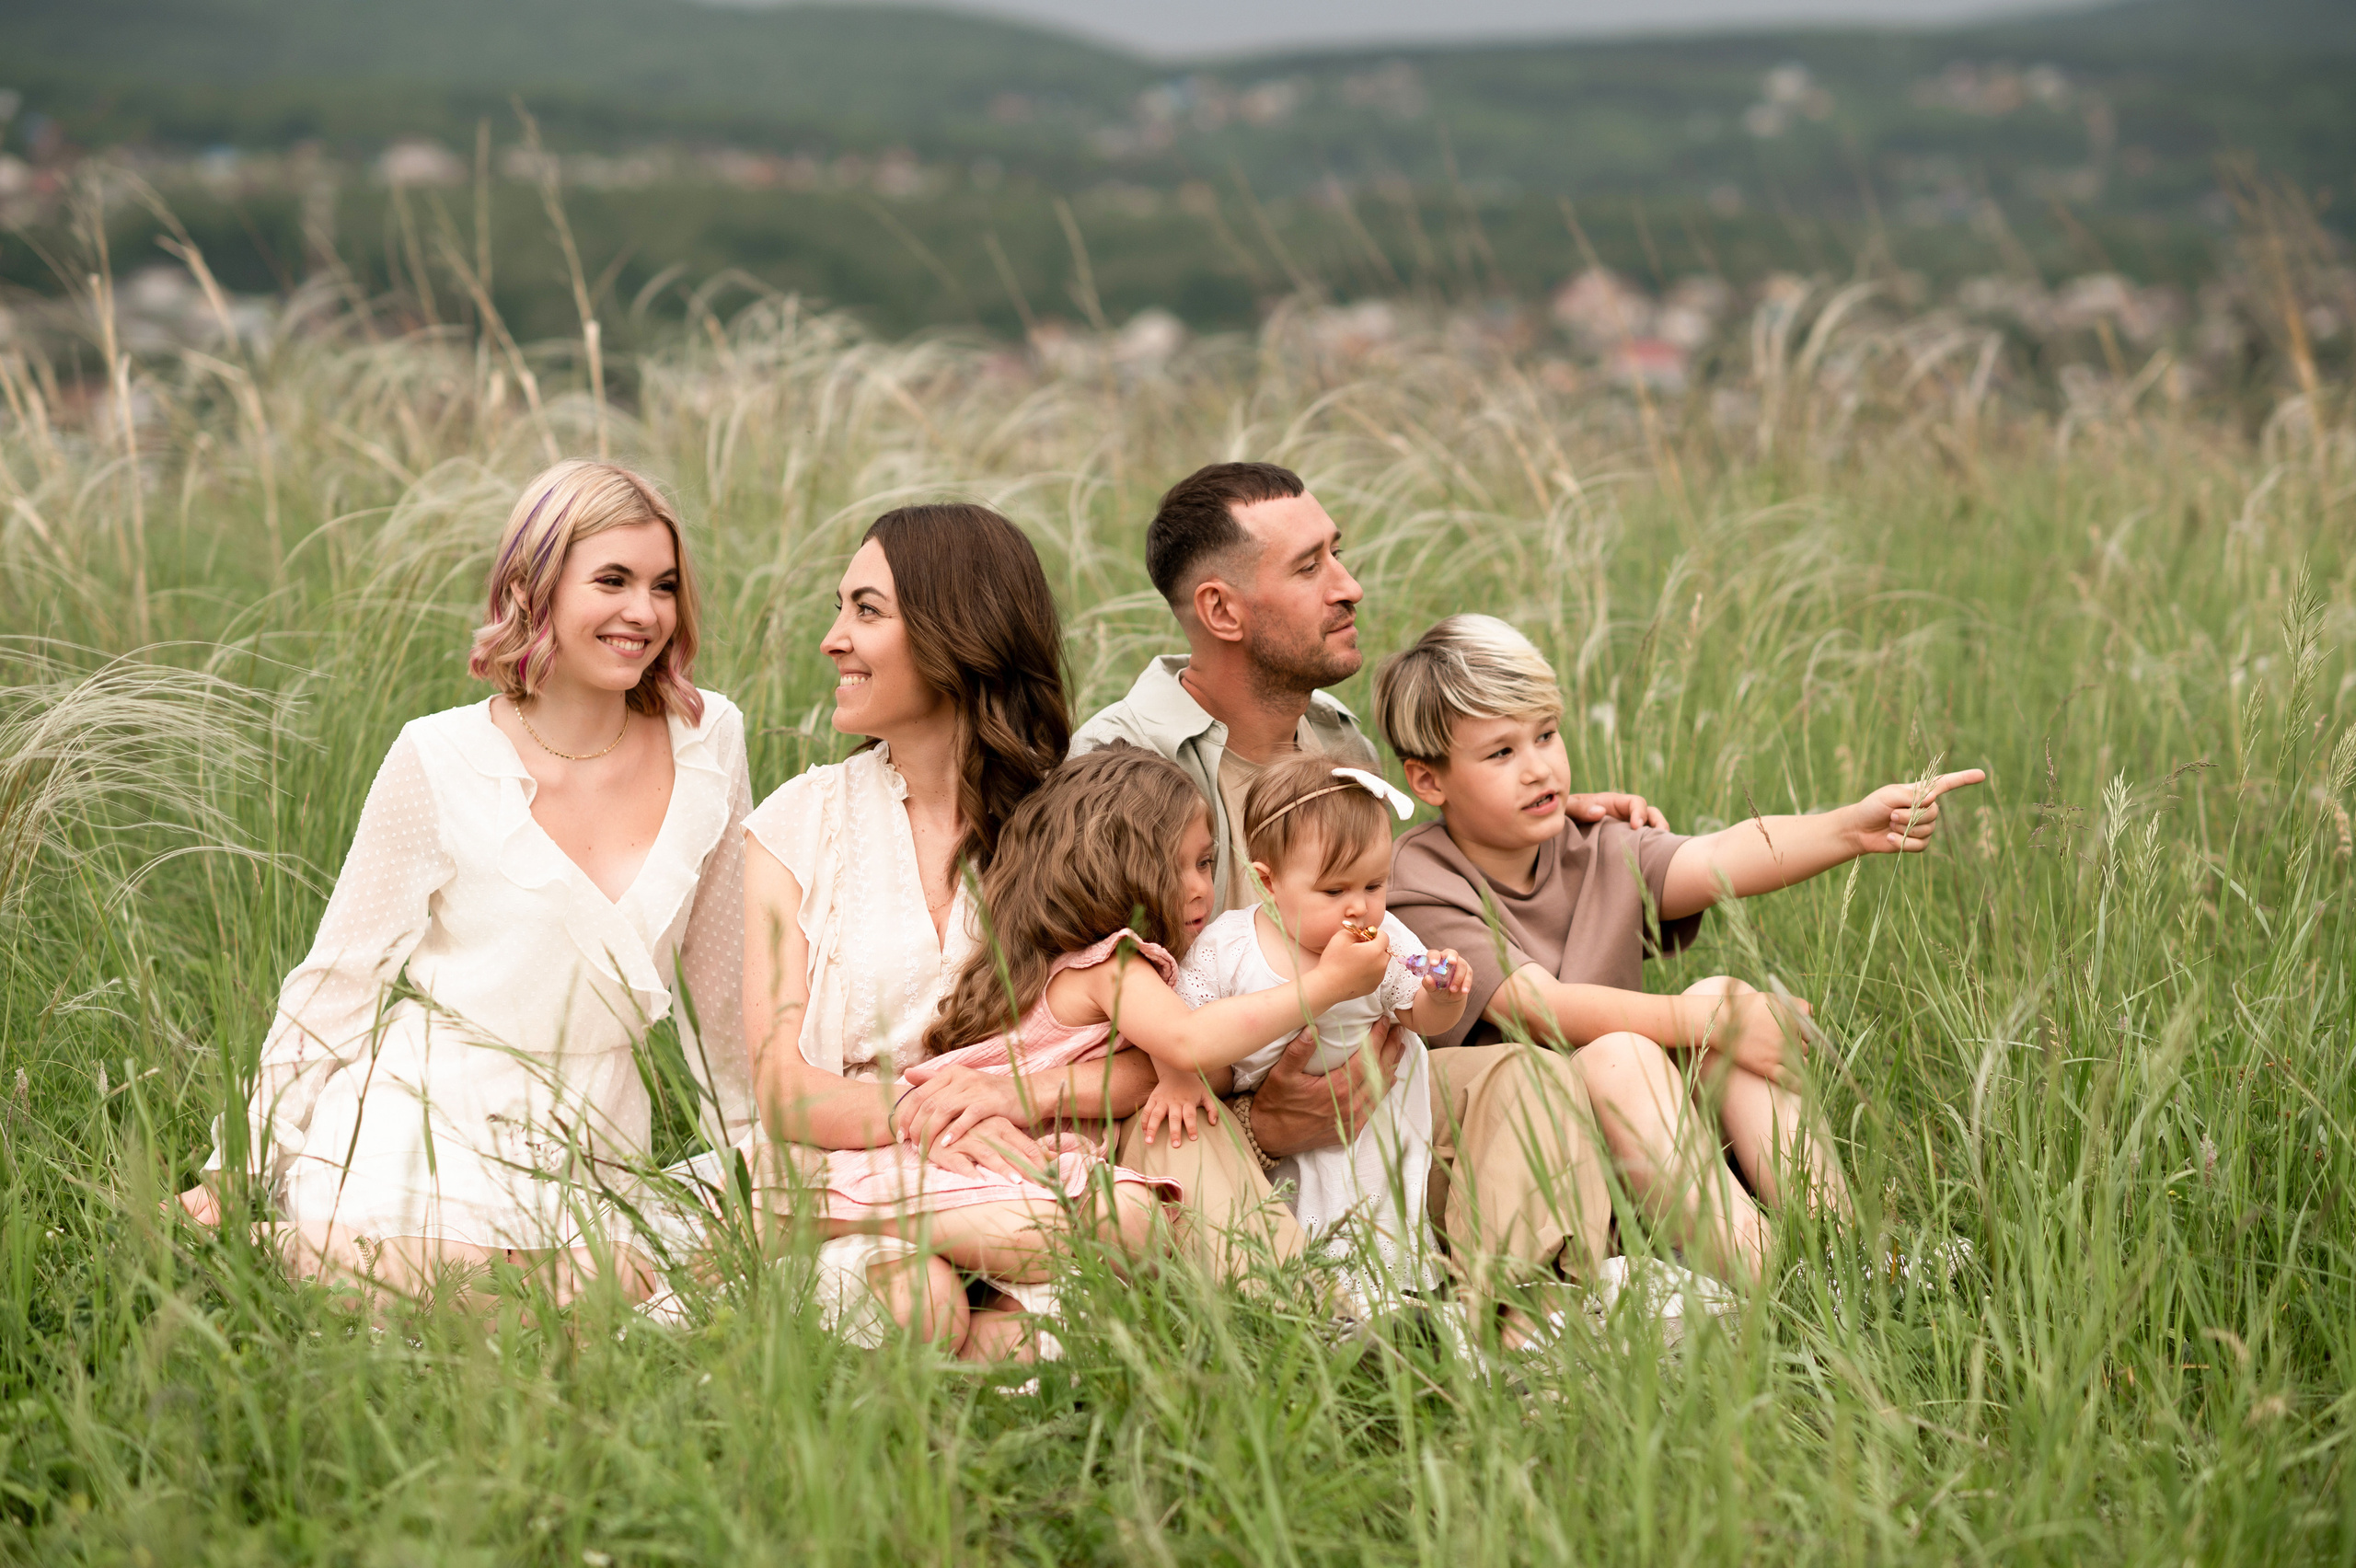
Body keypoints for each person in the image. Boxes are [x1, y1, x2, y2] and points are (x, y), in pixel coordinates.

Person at [179, 459, 755, 1309]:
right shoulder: (438, 757)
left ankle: (329, 1263)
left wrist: (752, 1154)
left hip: (593, 1124)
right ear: (534, 588)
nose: (644, 612)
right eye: (612, 580)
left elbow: (724, 982)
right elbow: (339, 980)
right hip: (427, 1111)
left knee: (600, 1291)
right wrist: (239, 1167)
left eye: (663, 585)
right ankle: (291, 1245)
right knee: (546, 1303)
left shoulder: (711, 741)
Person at [1075, 460, 1645, 1302]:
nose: (1351, 587)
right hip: (1205, 1112)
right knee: (1180, 1138)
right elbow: (1100, 1011)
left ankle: (1527, 1322)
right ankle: (1335, 1342)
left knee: (1526, 1077)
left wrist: (1555, 821)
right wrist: (1261, 1123)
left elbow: (1396, 887)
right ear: (1221, 611)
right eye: (1310, 568)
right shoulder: (1117, 761)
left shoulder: (1343, 746)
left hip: (1368, 1076)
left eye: (1337, 555)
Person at [1380, 613, 1986, 1282]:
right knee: (1632, 1047)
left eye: (1546, 735)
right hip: (1532, 1176)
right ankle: (1785, 1282)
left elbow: (1720, 855)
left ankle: (1855, 1252)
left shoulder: (1594, 844)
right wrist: (1713, 1024)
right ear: (1429, 782)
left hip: (1651, 1151)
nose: (1539, 768)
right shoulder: (1418, 877)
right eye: (1501, 753)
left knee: (1720, 996)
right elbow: (1537, 1006)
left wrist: (1848, 828)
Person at [738, 503, 1163, 1361]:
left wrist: (1012, 1098)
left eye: (866, 611)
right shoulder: (798, 824)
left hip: (1023, 1168)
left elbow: (1147, 1060)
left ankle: (962, 1366)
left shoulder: (1074, 823)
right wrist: (925, 1117)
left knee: (1135, 1220)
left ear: (955, 631)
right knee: (923, 1307)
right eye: (839, 608)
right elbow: (782, 1086)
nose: (832, 640)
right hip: (851, 1160)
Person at [1149, 755, 1472, 1309]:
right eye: (1333, 891)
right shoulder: (1229, 947)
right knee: (1297, 1226)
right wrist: (1178, 1078)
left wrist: (1442, 996)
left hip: (1376, 1120)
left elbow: (1418, 1014)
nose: (1360, 906)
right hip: (1274, 1133)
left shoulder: (1383, 937)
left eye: (1375, 883)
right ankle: (1321, 1310)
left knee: (1381, 1216)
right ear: (1267, 881)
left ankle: (1400, 1307)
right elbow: (1182, 1021)